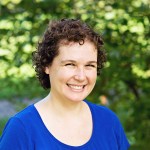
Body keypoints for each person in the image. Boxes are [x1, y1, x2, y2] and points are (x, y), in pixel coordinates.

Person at [0, 18, 130, 150]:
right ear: (47, 65)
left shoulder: (109, 122)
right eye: (70, 64)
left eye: (89, 65)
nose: (80, 76)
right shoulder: (22, 129)